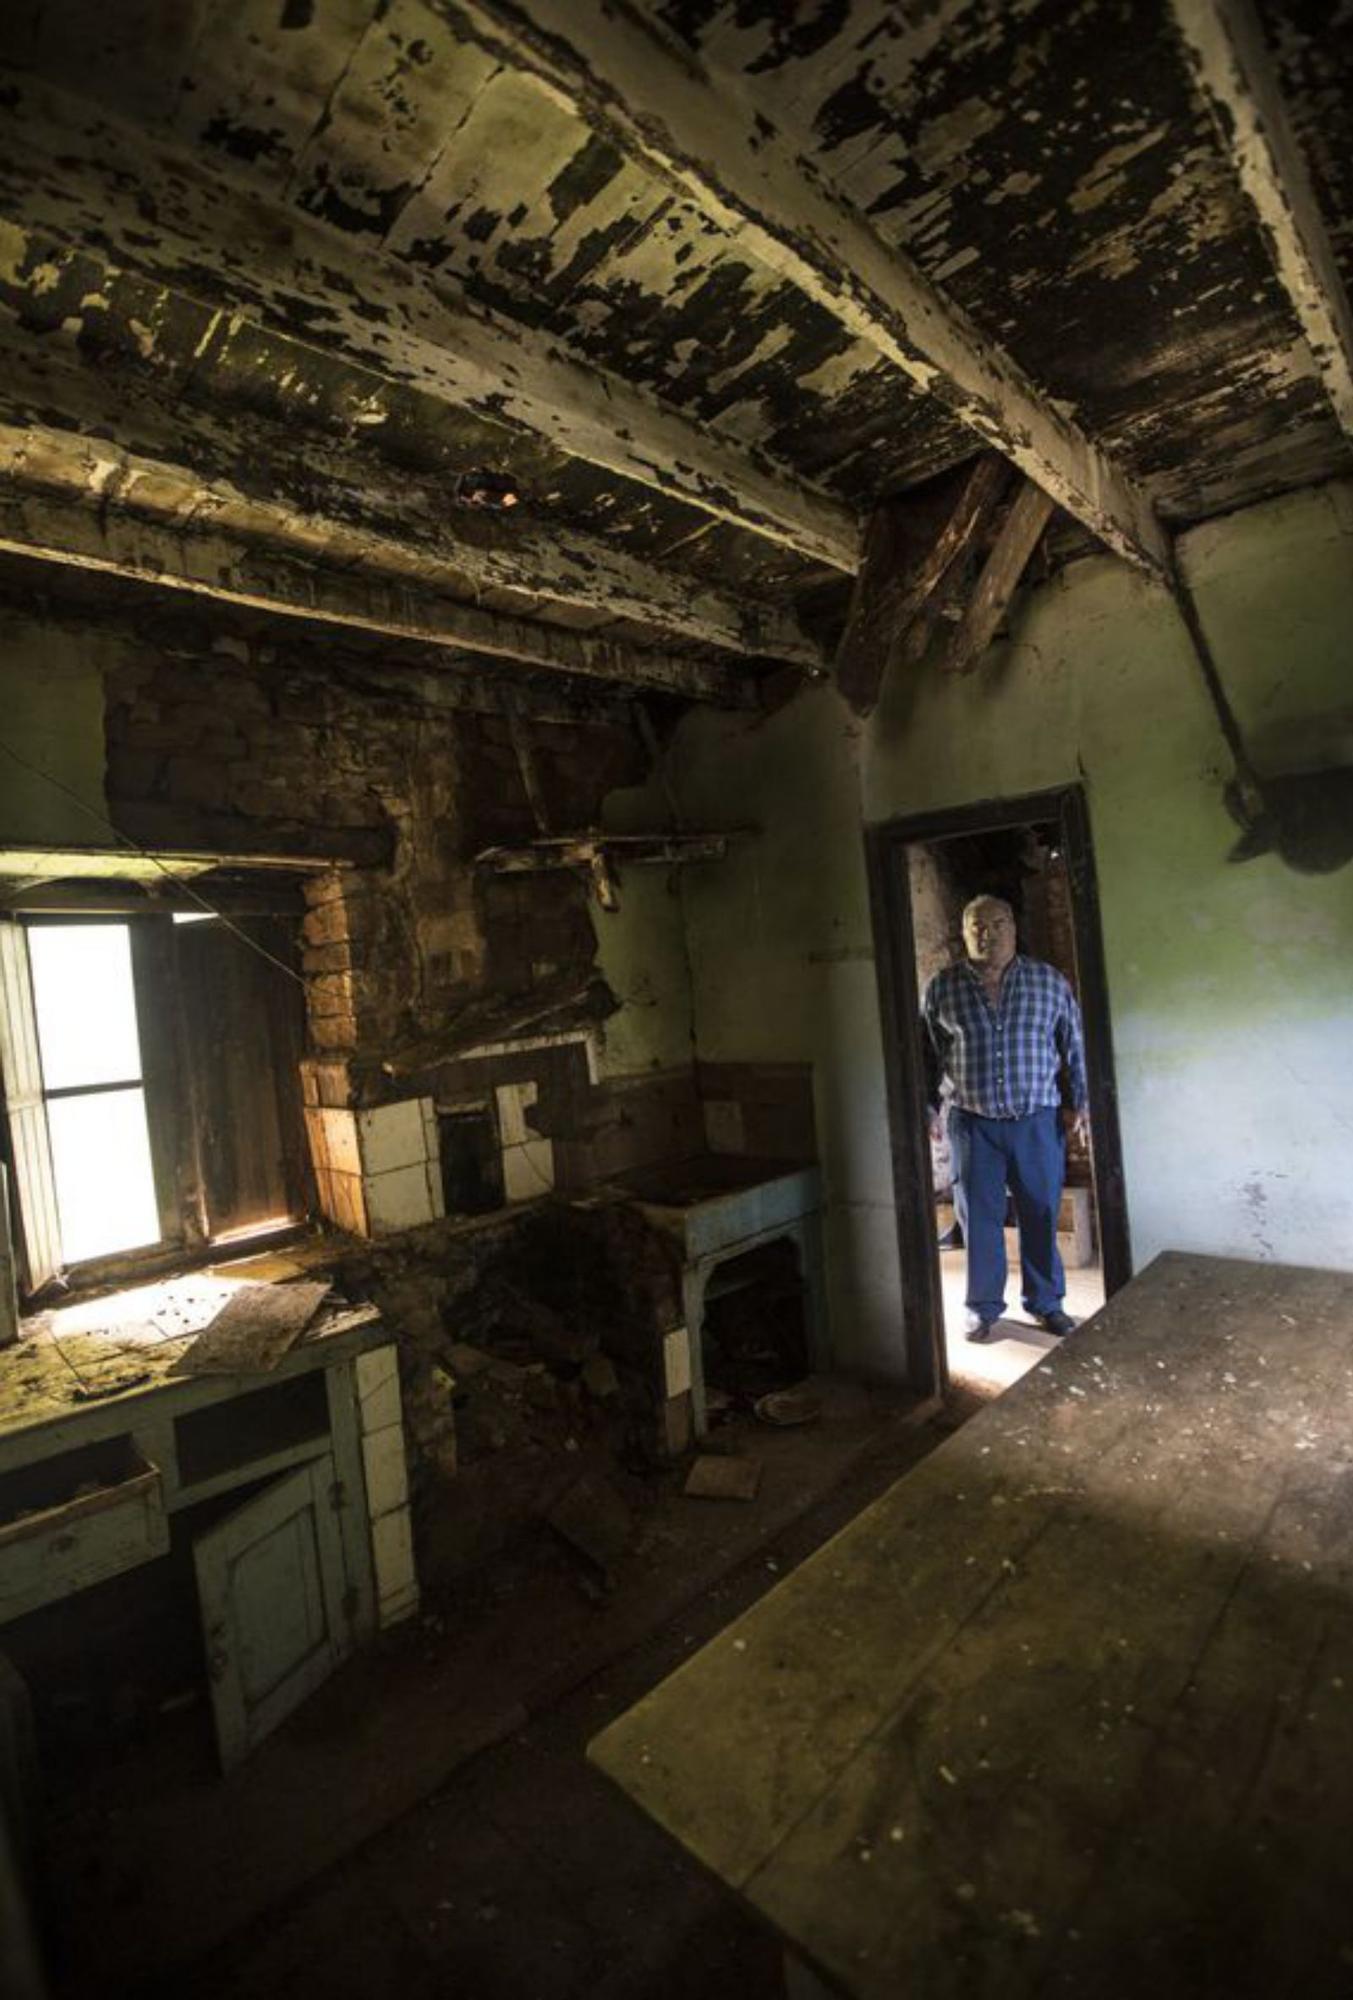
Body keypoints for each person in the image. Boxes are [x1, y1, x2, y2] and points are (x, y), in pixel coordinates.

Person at [922, 894, 1089, 1342]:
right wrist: (926, 1107)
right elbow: (925, 1055)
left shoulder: (1048, 982)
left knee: (1040, 1211)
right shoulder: (942, 988)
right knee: (979, 1217)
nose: (986, 933)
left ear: (1012, 927)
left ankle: (1046, 1302)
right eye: (976, 925)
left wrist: (1082, 1103)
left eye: (996, 923)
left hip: (1036, 1119)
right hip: (972, 1123)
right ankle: (982, 1307)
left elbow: (1074, 1046)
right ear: (964, 932)